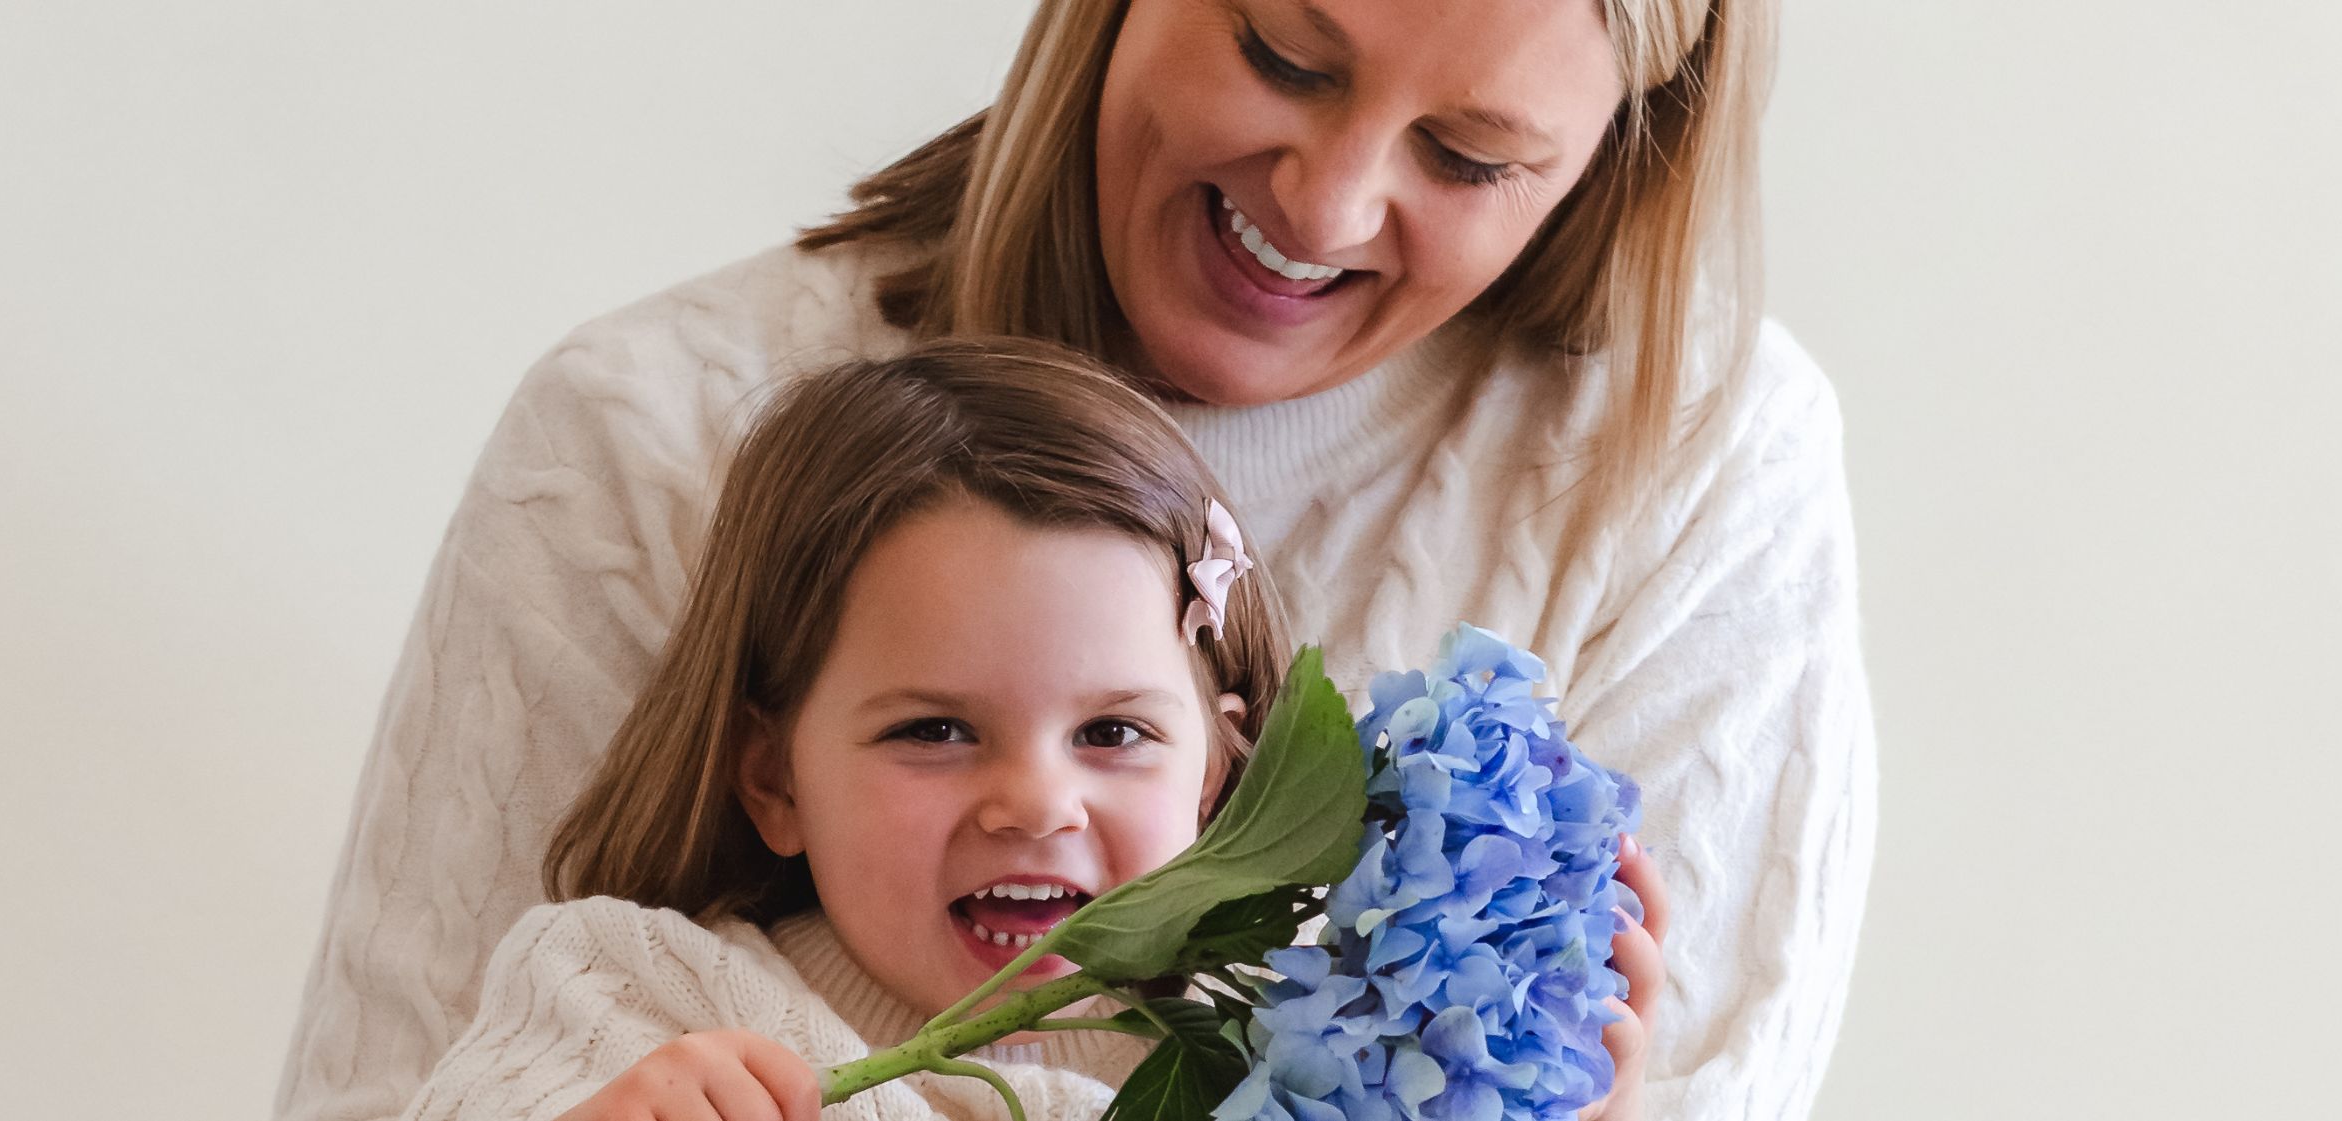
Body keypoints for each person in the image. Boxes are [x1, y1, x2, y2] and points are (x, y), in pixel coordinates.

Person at [278, 2, 1873, 1119]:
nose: (1324, 201)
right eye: (1281, 51)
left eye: (1466, 155)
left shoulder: (1693, 471)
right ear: (762, 769)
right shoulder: (643, 974)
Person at [393, 340, 1667, 1121]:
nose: (1031, 798)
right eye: (936, 728)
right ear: (773, 775)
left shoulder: (1281, 1068)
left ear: (1224, 766)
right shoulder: (630, 995)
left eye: (1112, 731)